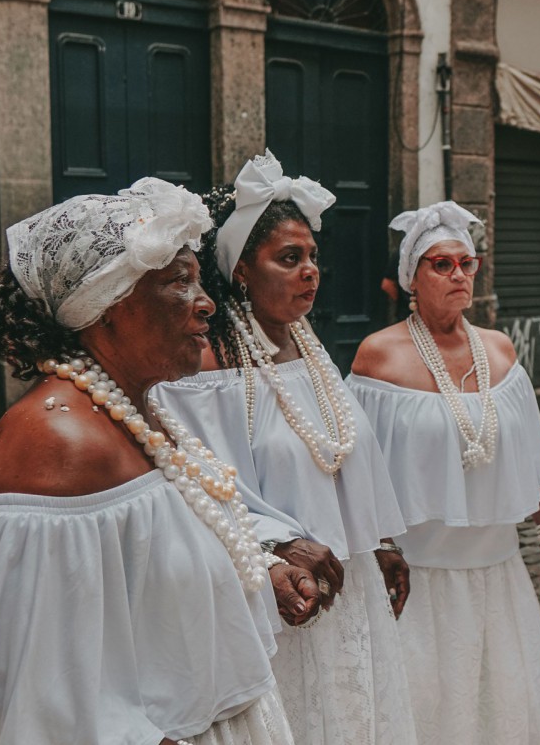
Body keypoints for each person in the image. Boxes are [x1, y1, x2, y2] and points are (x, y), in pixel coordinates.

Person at [0, 179, 309, 744]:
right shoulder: (58, 444)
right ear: (104, 308)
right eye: (178, 282)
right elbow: (48, 690)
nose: (207, 302)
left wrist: (259, 569)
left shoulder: (147, 411)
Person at [150, 151, 418, 745]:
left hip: (349, 586)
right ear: (242, 270)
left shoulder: (310, 350)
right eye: (289, 258)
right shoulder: (208, 366)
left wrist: (381, 543)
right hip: (279, 596)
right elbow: (194, 483)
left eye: (313, 258)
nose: (309, 272)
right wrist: (275, 547)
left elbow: (346, 459)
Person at [347, 201, 540, 745]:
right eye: (441, 265)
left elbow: (530, 449)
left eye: (466, 264)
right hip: (420, 572)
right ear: (411, 279)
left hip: (496, 565)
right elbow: (358, 468)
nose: (458, 275)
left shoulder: (499, 349)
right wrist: (375, 546)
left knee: (502, 697)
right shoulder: (379, 356)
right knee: (427, 702)